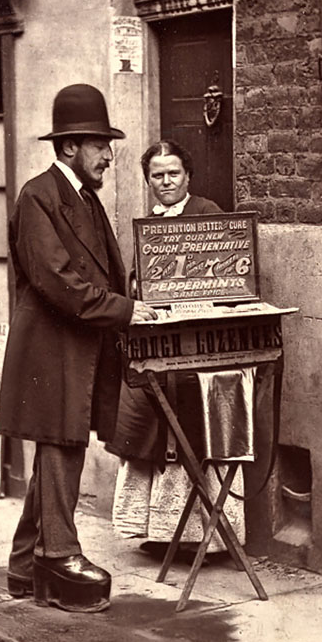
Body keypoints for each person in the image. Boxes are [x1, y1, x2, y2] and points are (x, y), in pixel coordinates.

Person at [0, 84, 156, 614]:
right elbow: (58, 282)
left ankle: (25, 567)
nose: (110, 155)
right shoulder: (39, 195)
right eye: (99, 145)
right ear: (69, 148)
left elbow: (103, 273)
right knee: (60, 446)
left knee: (58, 448)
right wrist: (128, 311)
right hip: (52, 349)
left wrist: (135, 304)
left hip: (78, 349)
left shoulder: (84, 199)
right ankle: (58, 555)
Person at [107, 139, 246, 559]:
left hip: (200, 347)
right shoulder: (148, 224)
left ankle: (208, 536)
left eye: (173, 174)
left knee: (197, 432)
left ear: (188, 176)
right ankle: (162, 533)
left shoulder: (208, 214)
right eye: (157, 176)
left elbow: (231, 273)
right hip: (160, 344)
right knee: (154, 428)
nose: (165, 182)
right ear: (147, 180)